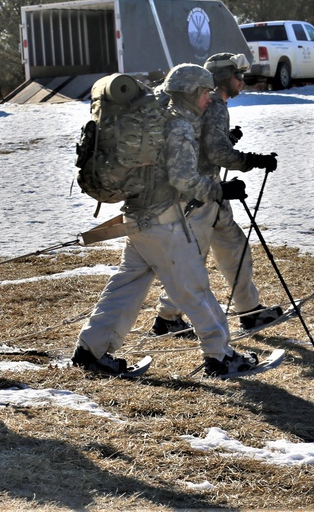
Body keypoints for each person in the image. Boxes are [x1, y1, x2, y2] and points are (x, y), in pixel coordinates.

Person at [73, 63, 260, 377]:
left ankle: (90, 351)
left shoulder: (157, 117)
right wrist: (220, 189)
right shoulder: (178, 125)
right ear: (190, 92)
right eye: (204, 93)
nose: (208, 99)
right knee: (194, 287)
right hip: (163, 223)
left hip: (137, 219)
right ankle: (221, 356)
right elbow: (184, 178)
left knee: (126, 286)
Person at [152, 52, 283, 338]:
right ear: (225, 78)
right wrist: (253, 160)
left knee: (235, 247)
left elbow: (208, 146)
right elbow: (217, 153)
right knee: (193, 258)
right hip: (198, 196)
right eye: (239, 76)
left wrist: (228, 141)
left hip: (211, 194)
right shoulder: (214, 106)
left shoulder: (209, 103)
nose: (243, 82)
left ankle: (249, 312)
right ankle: (168, 318)